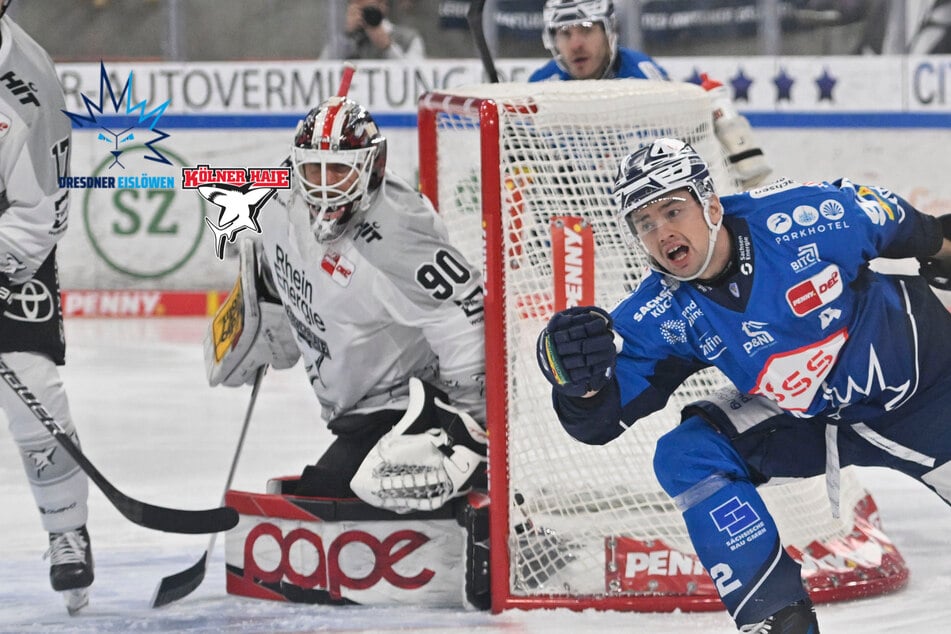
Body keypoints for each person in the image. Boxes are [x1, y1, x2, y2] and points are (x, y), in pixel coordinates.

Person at [535, 137, 951, 632]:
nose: (661, 231)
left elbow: (906, 226)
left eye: (672, 210)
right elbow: (600, 420)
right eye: (645, 224)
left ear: (710, 204)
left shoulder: (806, 216)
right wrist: (576, 383)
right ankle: (777, 620)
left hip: (932, 399)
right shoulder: (660, 309)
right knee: (686, 454)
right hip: (813, 421)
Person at [204, 93, 486, 516]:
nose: (321, 185)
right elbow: (270, 250)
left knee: (330, 498)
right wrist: (266, 307)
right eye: (312, 168)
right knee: (325, 492)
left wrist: (471, 432)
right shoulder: (281, 192)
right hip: (356, 408)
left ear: (372, 167)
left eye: (338, 169)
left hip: (404, 408)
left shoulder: (399, 235)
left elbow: (466, 318)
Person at [0, 0, 94, 616]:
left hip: (12, 248)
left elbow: (44, 215)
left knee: (31, 381)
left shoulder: (31, 81)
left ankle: (66, 526)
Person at [529, 0, 772, 189]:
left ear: (608, 31)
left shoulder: (642, 75)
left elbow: (682, 145)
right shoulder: (540, 86)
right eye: (564, 33)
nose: (576, 44)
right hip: (569, 210)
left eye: (586, 29)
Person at [320, 0, 425, 60]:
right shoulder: (345, 40)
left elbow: (417, 77)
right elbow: (320, 72)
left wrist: (387, 47)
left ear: (384, 5)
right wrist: (346, 36)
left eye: (373, 7)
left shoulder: (409, 38)